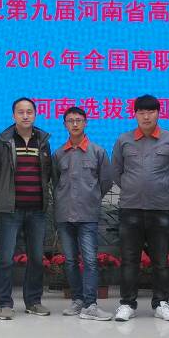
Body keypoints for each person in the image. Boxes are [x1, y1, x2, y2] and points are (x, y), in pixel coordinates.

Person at [111, 94, 169, 322]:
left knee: (161, 261)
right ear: (135, 114)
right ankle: (127, 304)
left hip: (159, 209)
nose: (146, 116)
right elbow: (116, 171)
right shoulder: (124, 140)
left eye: (151, 112)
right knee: (129, 260)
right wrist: (133, 188)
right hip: (130, 209)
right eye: (142, 112)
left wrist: (163, 190)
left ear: (158, 113)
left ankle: (161, 303)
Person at [0, 97, 53, 320]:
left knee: (37, 258)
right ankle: (4, 303)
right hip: (10, 211)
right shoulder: (2, 140)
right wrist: (5, 190)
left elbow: (47, 172)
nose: (25, 115)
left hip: (37, 210)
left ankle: (33, 301)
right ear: (13, 115)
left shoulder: (42, 141)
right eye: (21, 112)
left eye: (29, 111)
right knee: (5, 258)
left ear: (35, 114)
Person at [53, 107, 114, 321]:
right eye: (70, 121)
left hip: (88, 215)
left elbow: (106, 181)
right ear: (65, 125)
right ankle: (77, 300)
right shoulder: (59, 154)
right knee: (70, 261)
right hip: (64, 215)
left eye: (79, 120)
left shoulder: (98, 152)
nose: (75, 124)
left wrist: (92, 197)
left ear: (86, 123)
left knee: (89, 260)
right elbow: (55, 182)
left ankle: (91, 304)